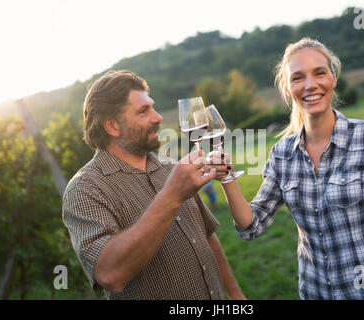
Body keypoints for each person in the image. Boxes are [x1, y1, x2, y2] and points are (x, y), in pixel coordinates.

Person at [209, 37, 364, 300]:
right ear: (287, 88)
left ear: (333, 78)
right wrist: (226, 178)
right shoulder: (282, 154)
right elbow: (251, 225)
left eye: (319, 73)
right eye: (298, 77)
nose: (310, 85)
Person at [62, 70, 245, 300]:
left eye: (153, 107)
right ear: (112, 126)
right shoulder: (85, 189)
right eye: (143, 111)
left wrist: (237, 297)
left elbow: (207, 237)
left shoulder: (171, 168)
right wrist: (172, 196)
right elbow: (110, 275)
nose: (158, 117)